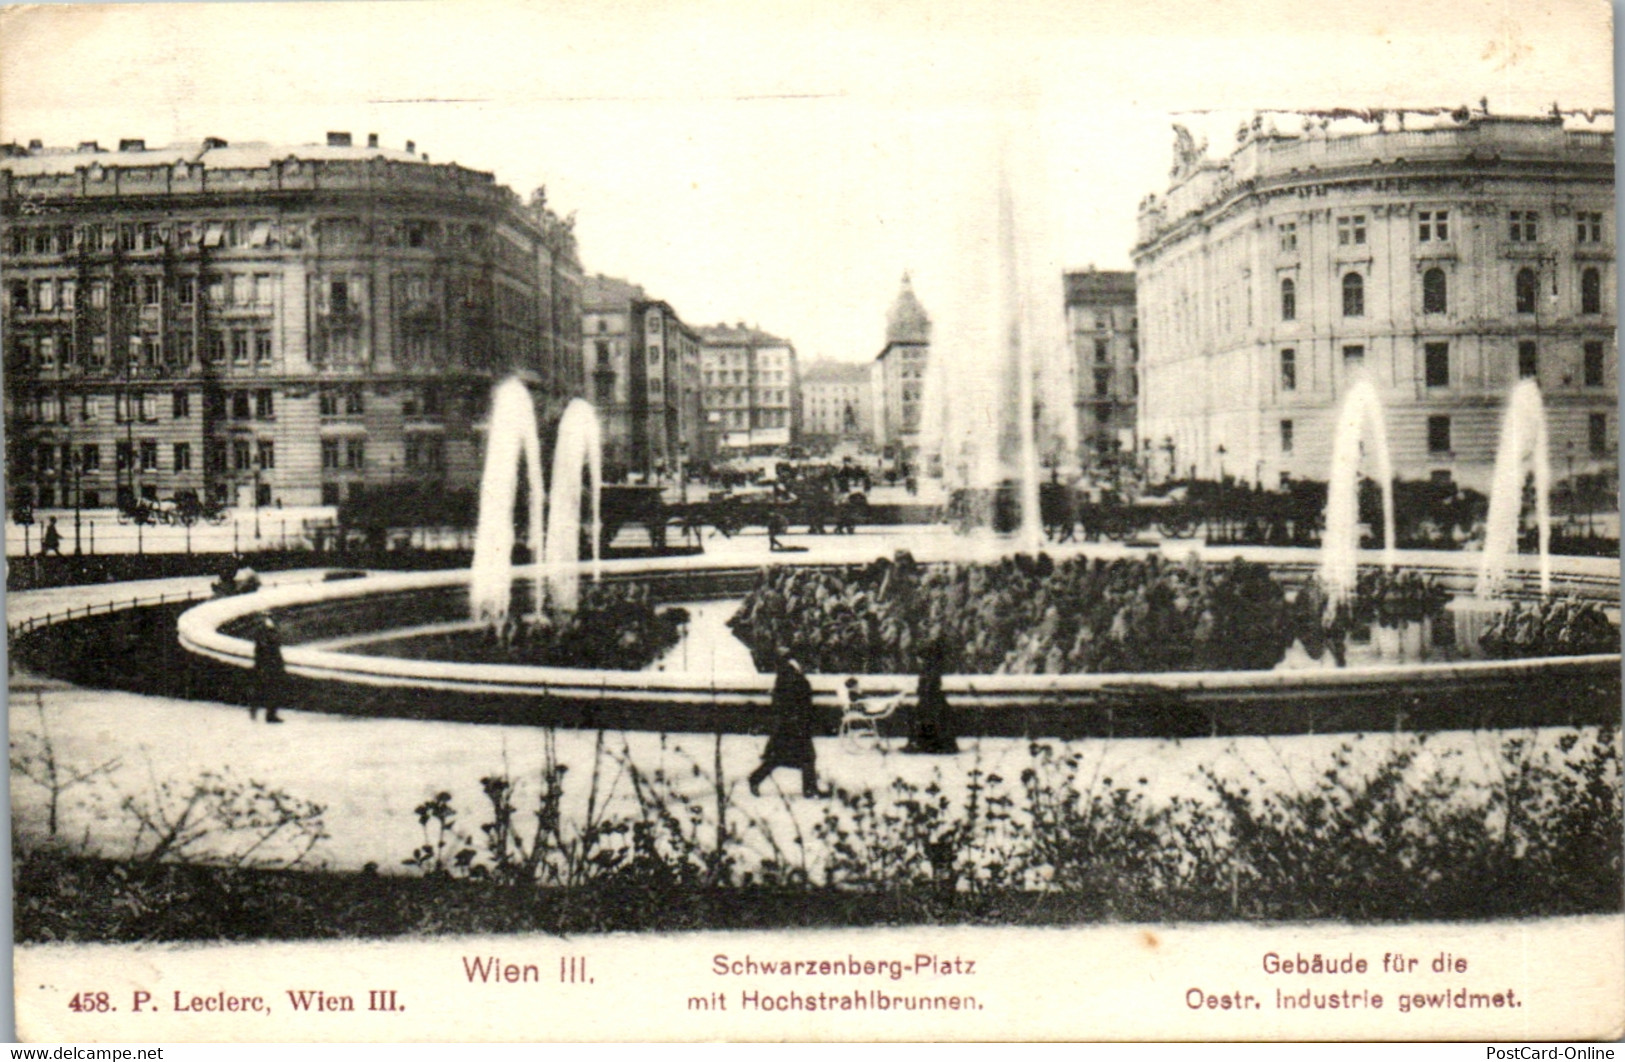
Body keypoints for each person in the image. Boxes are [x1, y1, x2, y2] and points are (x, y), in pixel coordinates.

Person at [748, 647, 821, 797]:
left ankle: (810, 789)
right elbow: (785, 700)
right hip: (792, 724)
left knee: (785, 757)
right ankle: (809, 790)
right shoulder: (789, 673)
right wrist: (795, 718)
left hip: (793, 723)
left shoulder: (789, 672)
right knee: (793, 757)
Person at [903, 638, 959, 754]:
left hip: (930, 701)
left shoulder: (929, 670)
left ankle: (924, 745)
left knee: (924, 719)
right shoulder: (933, 669)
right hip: (933, 700)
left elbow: (927, 687)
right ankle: (928, 744)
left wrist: (922, 691)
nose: (919, 661)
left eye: (920, 658)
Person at [252, 615, 286, 723]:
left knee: (269, 690)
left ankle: (266, 712)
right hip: (269, 666)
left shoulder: (266, 633)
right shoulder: (265, 634)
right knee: (270, 690)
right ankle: (268, 714)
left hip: (269, 665)